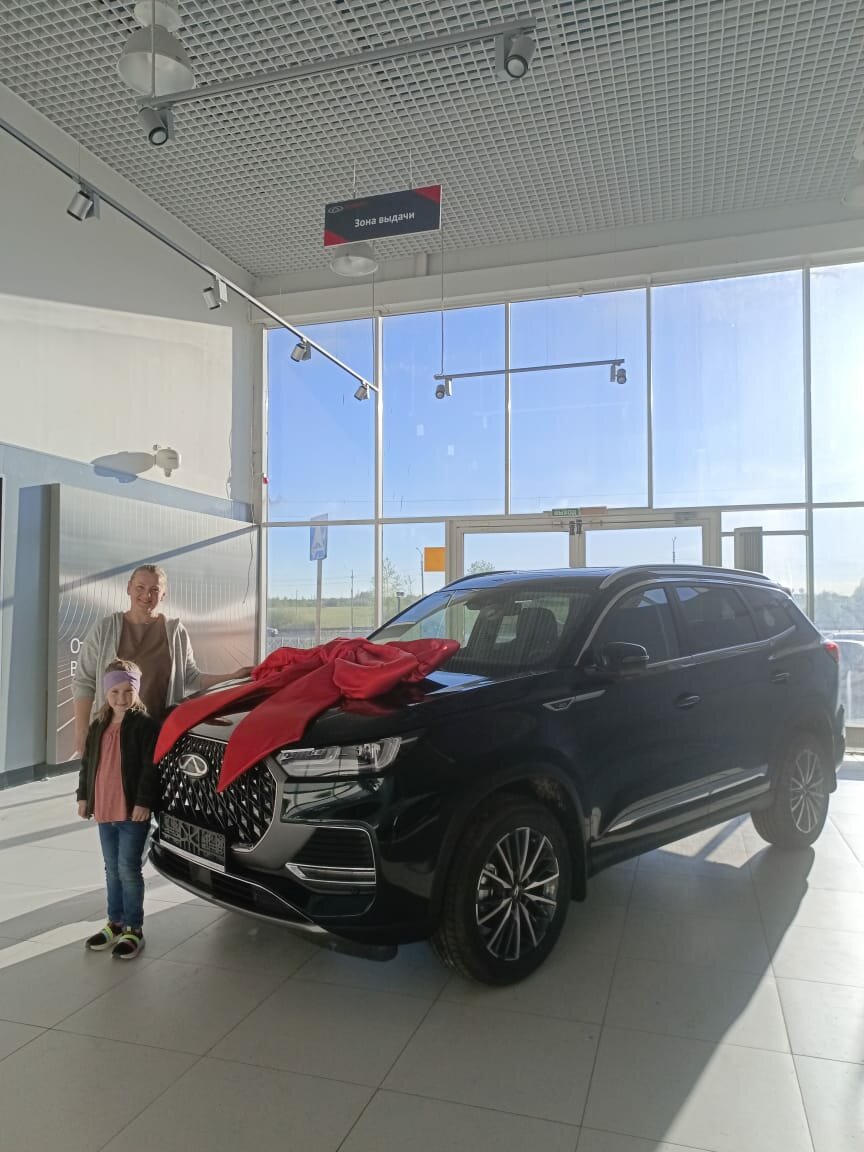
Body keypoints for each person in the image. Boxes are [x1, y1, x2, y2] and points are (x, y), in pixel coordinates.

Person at [72, 564, 250, 757]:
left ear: (163, 594)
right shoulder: (105, 629)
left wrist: (233, 677)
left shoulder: (175, 632)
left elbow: (192, 678)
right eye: (140, 587)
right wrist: (82, 733)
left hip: (159, 738)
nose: (146, 595)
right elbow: (84, 682)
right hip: (112, 738)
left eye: (154, 590)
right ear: (129, 588)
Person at [76, 660, 159, 959]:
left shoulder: (146, 726)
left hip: (132, 812)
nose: (121, 698)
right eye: (115, 691)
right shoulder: (98, 725)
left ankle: (134, 928)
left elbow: (151, 768)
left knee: (128, 869)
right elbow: (88, 764)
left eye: (128, 691)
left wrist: (143, 802)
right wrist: (83, 797)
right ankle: (115, 922)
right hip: (104, 808)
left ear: (136, 691)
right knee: (111, 869)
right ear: (106, 692)